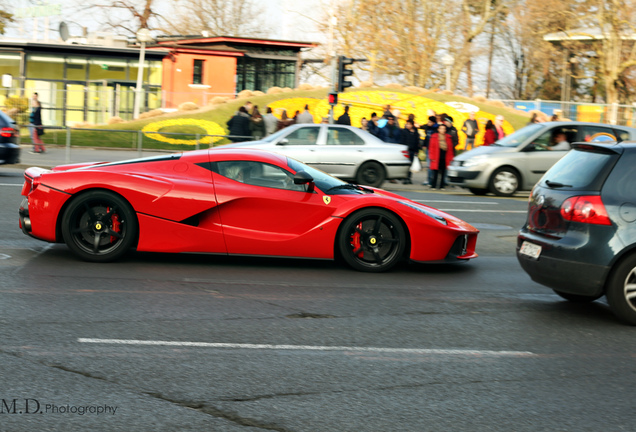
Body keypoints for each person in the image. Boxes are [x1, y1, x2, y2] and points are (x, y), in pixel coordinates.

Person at [428, 123, 454, 190]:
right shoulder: (434, 136)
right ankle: (433, 185)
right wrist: (432, 157)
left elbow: (450, 148)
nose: (442, 130)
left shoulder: (448, 137)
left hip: (445, 156)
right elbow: (431, 148)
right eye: (441, 128)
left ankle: (441, 186)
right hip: (436, 156)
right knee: (435, 172)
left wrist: (451, 157)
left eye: (444, 129)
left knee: (443, 172)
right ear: (438, 129)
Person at [401, 119, 421, 184]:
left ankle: (409, 178)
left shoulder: (415, 132)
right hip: (406, 150)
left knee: (411, 165)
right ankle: (405, 178)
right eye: (407, 124)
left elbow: (417, 142)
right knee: (406, 165)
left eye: (409, 124)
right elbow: (402, 141)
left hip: (413, 151)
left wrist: (417, 151)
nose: (408, 125)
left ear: (412, 125)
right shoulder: (404, 131)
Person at [420, 116, 438, 185]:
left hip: (434, 149)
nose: (428, 123)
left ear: (433, 122)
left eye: (429, 122)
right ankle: (429, 179)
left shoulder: (436, 129)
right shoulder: (428, 128)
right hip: (428, 148)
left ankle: (431, 180)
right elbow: (426, 138)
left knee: (431, 165)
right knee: (429, 165)